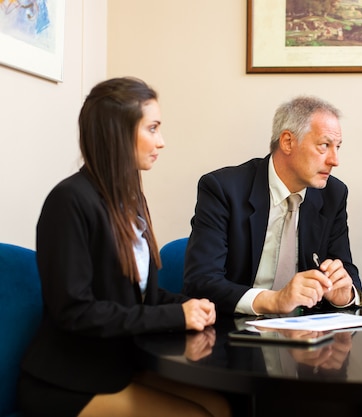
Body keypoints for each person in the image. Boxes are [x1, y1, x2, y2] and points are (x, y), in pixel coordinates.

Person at [18, 77, 230, 417]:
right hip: (66, 382)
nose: (162, 142)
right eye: (153, 128)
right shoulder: (69, 201)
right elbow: (76, 312)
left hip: (116, 367)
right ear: (118, 131)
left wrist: (191, 305)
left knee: (221, 406)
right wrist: (176, 315)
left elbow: (142, 297)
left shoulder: (130, 199)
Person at [183, 95, 362, 315]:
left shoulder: (333, 194)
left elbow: (347, 272)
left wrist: (343, 295)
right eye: (324, 146)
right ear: (288, 142)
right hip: (235, 331)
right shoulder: (223, 189)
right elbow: (201, 281)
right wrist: (274, 300)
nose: (334, 160)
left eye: (337, 147)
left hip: (306, 336)